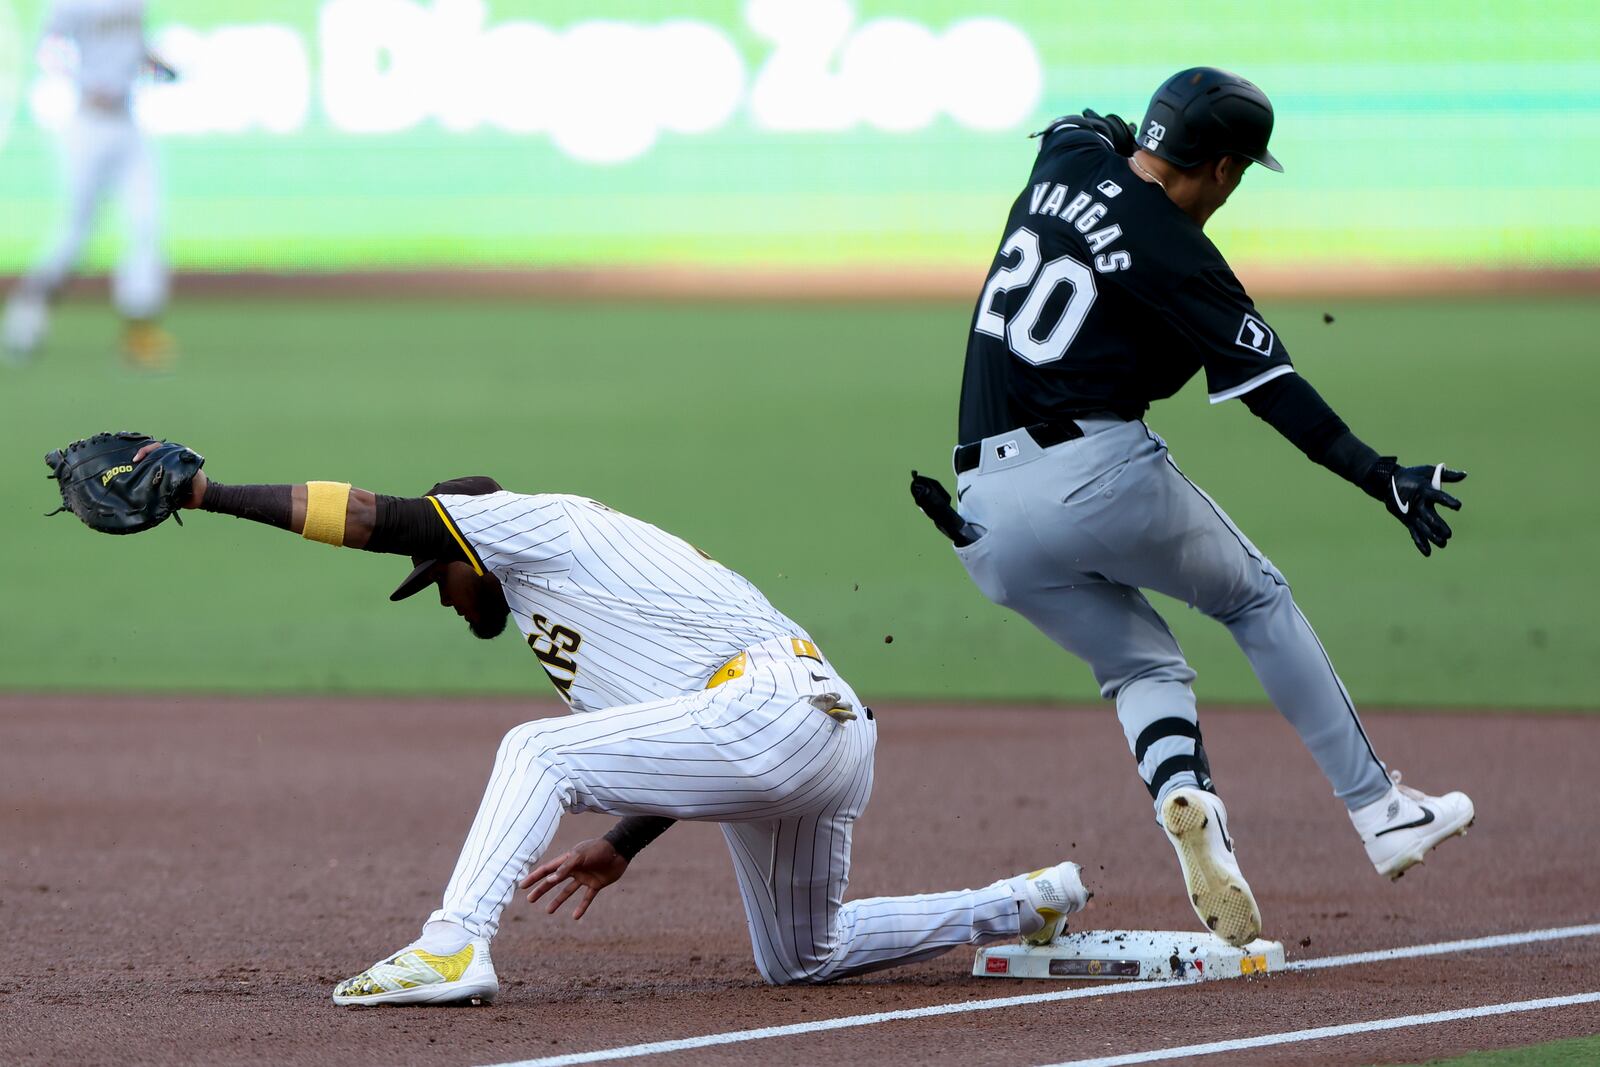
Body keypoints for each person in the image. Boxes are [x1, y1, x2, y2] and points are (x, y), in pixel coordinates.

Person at [137, 446, 1090, 1004]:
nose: (441, 594)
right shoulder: (564, 610)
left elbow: (376, 518)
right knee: (802, 956)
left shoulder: (525, 524)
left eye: (442, 571)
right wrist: (624, 840)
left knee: (532, 749)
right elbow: (678, 733)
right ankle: (1022, 902)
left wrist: (205, 495)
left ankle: (454, 941)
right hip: (821, 733)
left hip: (773, 708)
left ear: (470, 540)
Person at [923, 67, 1473, 948]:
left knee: (1143, 667)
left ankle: (1188, 795)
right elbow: (1277, 391)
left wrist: (1116, 140)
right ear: (1221, 167)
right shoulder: (1181, 256)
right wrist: (1380, 475)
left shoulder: (1068, 155)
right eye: (1241, 171)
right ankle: (1380, 810)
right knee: (1255, 597)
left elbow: (1082, 124)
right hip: (1095, 474)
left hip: (979, 512)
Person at [2, 0, 175, 368]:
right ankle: (28, 313)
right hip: (87, 123)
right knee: (75, 234)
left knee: (146, 223)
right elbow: (47, 50)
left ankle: (140, 334)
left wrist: (159, 66)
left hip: (128, 120)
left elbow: (133, 46)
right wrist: (84, 81)